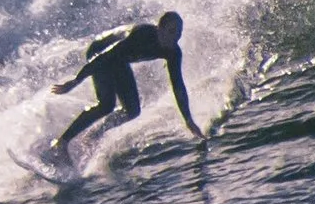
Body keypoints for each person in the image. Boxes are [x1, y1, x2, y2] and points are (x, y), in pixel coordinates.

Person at [49, 10, 203, 159]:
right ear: (159, 29)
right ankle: (61, 143)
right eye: (171, 31)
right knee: (106, 104)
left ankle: (92, 137)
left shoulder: (173, 52)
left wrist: (188, 119)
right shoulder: (141, 35)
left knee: (132, 110)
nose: (175, 37)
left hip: (119, 60)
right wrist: (76, 80)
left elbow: (178, 85)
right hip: (99, 52)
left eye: (179, 32)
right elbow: (105, 56)